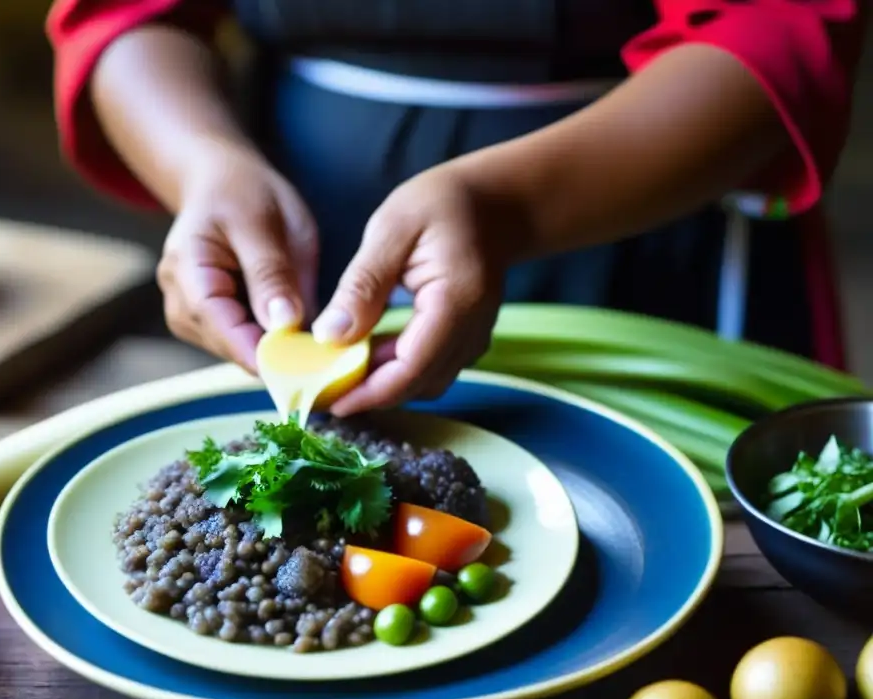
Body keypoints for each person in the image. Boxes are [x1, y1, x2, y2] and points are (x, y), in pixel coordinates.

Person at [46, 0, 865, 417]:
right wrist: (203, 164)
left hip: (643, 213)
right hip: (295, 206)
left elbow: (778, 26)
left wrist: (504, 208)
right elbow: (123, 13)